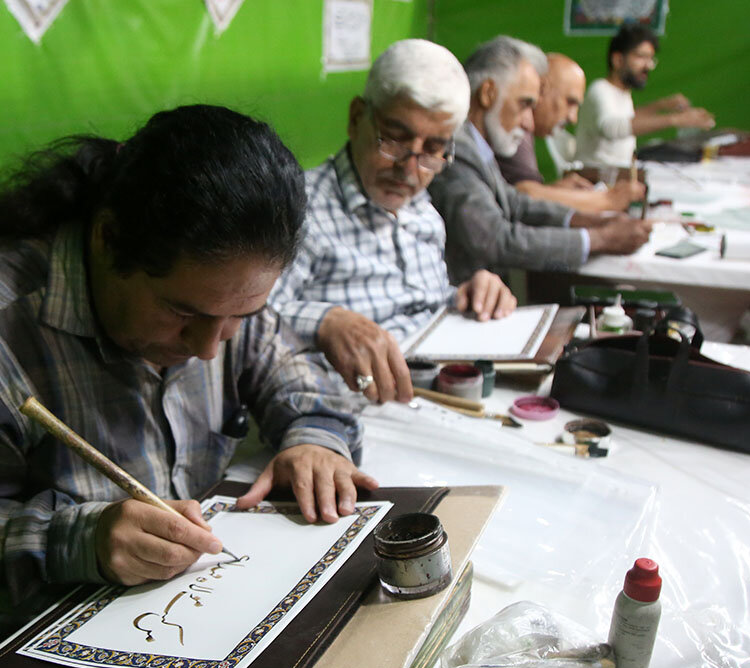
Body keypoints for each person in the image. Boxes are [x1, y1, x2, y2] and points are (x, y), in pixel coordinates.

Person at [0, 105, 376, 668]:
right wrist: (78, 540)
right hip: (7, 644)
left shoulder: (218, 291)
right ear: (109, 240)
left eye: (241, 315)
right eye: (181, 312)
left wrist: (314, 436)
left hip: (186, 610)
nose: (209, 349)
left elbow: (286, 363)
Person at [269, 39, 516, 407]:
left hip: (432, 396)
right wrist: (325, 322)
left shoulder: (422, 211)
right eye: (395, 140)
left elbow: (421, 304)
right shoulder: (297, 211)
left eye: (432, 150)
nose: (410, 169)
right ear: (356, 118)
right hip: (346, 409)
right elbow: (243, 320)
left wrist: (466, 295)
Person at [429, 36, 652, 286]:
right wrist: (600, 238)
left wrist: (587, 220)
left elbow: (514, 203)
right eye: (524, 104)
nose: (529, 123)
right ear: (488, 93)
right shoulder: (456, 150)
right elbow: (494, 239)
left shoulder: (476, 144)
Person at [497, 52, 646, 213]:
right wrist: (609, 199)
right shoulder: (517, 129)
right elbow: (526, 195)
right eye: (570, 102)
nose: (573, 118)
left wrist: (553, 190)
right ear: (541, 89)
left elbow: (519, 193)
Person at [573, 22, 715, 168]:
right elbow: (612, 128)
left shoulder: (621, 92)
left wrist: (662, 105)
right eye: (641, 57)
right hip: (593, 176)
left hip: (618, 172)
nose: (648, 66)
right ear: (618, 60)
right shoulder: (600, 89)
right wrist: (675, 119)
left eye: (650, 58)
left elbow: (627, 119)